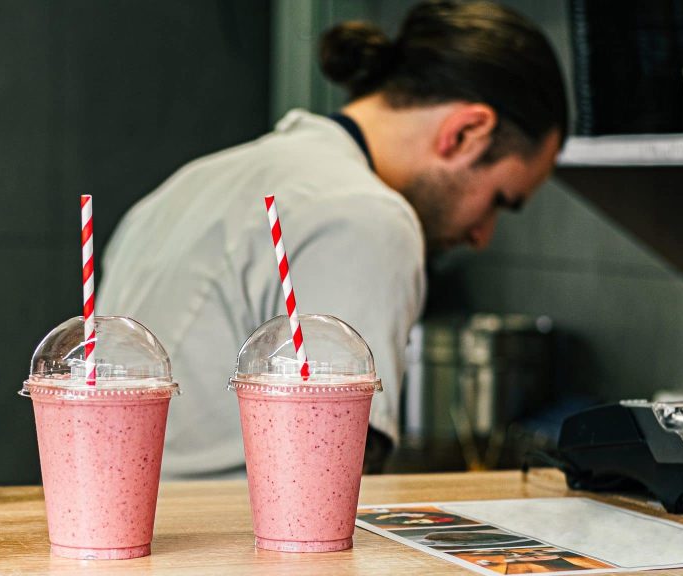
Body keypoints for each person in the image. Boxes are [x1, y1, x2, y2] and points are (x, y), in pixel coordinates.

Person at [98, 0, 568, 479]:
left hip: (116, 529)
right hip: (235, 544)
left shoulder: (193, 181)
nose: (483, 237)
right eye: (499, 201)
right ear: (466, 133)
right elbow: (334, 475)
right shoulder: (369, 217)